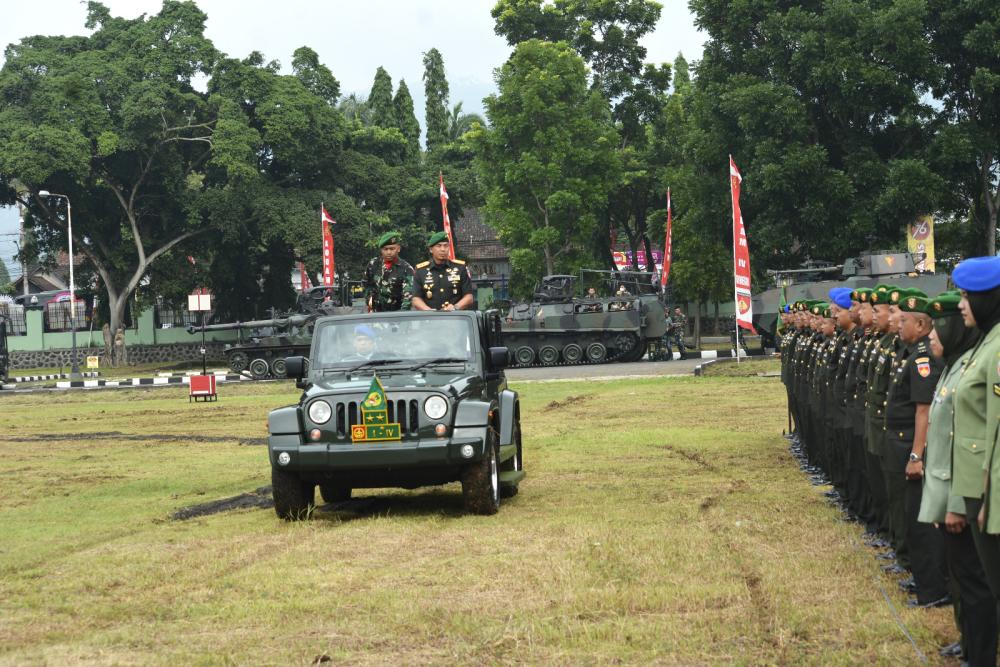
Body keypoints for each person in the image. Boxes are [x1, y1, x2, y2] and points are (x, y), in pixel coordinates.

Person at [918, 290, 994, 665]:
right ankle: (969, 641)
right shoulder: (955, 365)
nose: (930, 336)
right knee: (962, 577)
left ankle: (979, 652)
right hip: (958, 492)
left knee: (974, 582)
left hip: (965, 495)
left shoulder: (972, 363)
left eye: (935, 330)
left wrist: (955, 503)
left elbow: (964, 442)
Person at [884, 289, 948, 607]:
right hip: (903, 445)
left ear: (921, 325)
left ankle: (933, 589)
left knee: (922, 523)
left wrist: (915, 456)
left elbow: (924, 411)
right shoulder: (912, 352)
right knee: (911, 518)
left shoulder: (922, 357)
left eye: (904, 320)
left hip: (912, 450)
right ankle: (924, 579)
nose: (898, 325)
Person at [412, 232, 474, 311]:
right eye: (439, 246)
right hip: (429, 319)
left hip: (455, 318)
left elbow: (469, 297)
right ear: (431, 249)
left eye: (446, 246)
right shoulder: (421, 270)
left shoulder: (460, 268)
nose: (443, 249)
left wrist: (455, 307)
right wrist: (428, 311)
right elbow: (416, 299)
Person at [364, 231, 414, 312]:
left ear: (398, 249)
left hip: (397, 314)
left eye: (392, 249)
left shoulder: (406, 268)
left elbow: (408, 296)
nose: (389, 252)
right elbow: (366, 283)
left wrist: (401, 314)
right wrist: (369, 299)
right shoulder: (373, 264)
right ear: (381, 250)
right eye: (385, 249)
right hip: (376, 314)